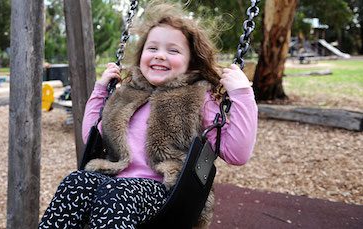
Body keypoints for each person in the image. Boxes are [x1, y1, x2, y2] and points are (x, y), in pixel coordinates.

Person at [39, 2, 257, 229]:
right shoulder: (126, 94)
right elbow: (92, 136)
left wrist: (242, 93)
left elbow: (237, 154)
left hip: (168, 192)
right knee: (76, 182)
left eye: (173, 51)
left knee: (117, 193)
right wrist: (101, 90)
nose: (160, 55)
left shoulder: (199, 98)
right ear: (141, 54)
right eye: (152, 48)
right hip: (114, 184)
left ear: (191, 61)